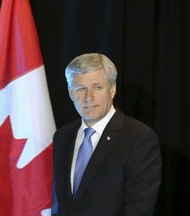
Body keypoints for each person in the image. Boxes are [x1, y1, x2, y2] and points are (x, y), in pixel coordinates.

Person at [51, 53, 161, 216]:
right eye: (81, 88)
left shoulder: (139, 137)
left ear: (112, 89)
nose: (89, 97)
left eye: (97, 87)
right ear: (70, 92)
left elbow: (139, 209)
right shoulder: (62, 136)